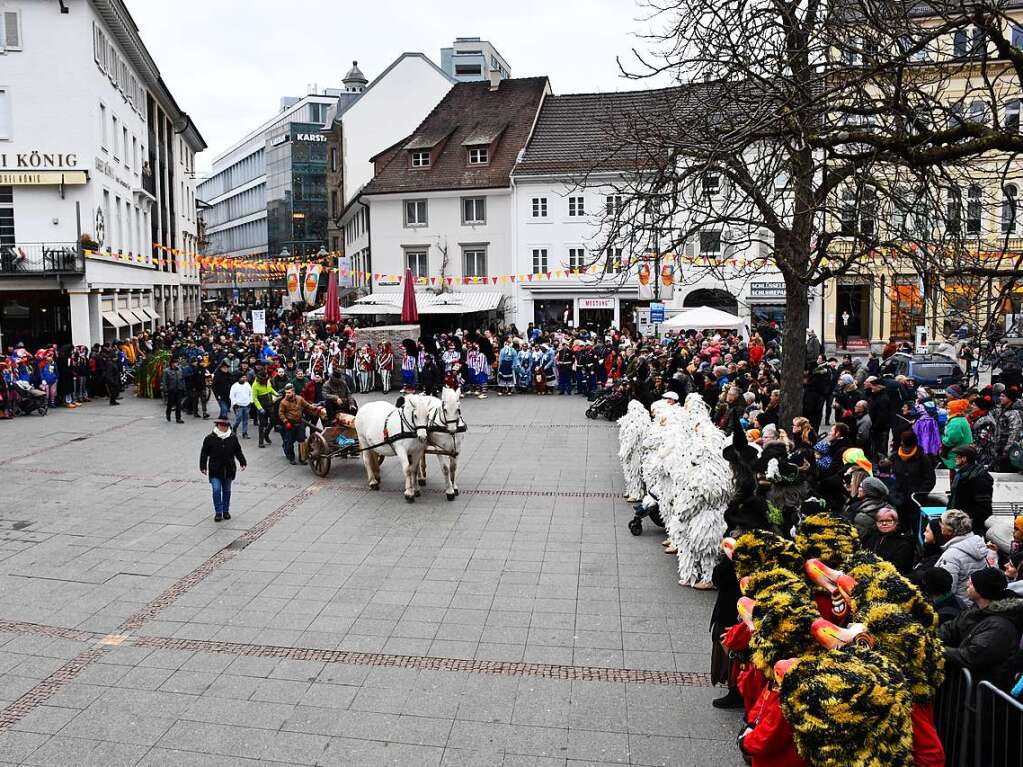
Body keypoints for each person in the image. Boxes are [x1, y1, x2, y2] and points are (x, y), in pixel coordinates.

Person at [938, 567, 1023, 689]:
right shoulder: (976, 609)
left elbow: (972, 656)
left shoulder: (1000, 626)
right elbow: (952, 628)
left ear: (981, 590)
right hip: (961, 686)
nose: (967, 584)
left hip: (979, 694)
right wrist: (931, 637)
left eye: (972, 583)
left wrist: (937, 649)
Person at [935, 509, 994, 603]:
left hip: (959, 606)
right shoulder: (978, 543)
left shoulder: (951, 555)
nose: (940, 525)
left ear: (950, 530)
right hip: (977, 602)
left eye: (942, 523)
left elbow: (947, 589)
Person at [199, 416, 247, 522]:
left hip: (228, 469)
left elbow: (238, 451)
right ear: (217, 425)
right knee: (216, 490)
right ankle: (218, 512)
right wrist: (202, 466)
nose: (222, 427)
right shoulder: (209, 438)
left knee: (227, 491)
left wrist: (242, 462)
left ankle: (225, 511)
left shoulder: (233, 437)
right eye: (221, 425)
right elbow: (204, 453)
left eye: (225, 425)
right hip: (215, 469)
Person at [889, 430, 936, 536]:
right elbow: (893, 476)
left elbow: (930, 480)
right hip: (899, 499)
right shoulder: (896, 456)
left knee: (916, 528)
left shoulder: (923, 458)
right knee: (901, 527)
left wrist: (918, 494)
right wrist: (894, 492)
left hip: (916, 501)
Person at [945, 444, 994, 537]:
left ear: (964, 458)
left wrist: (970, 521)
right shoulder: (961, 474)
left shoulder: (979, 477)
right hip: (958, 521)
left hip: (971, 526)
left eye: (957, 457)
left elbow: (983, 507)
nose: (955, 458)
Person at [277, 383, 325, 465]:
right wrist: (286, 421)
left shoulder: (299, 399)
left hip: (299, 423)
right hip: (290, 424)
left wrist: (316, 408)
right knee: (289, 442)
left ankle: (302, 458)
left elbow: (307, 406)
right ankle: (291, 457)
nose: (287, 394)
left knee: (302, 440)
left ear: (293, 392)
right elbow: (281, 413)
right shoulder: (283, 402)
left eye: (289, 392)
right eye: (286, 393)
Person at [860, 507, 915, 575]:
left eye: (889, 521)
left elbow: (900, 568)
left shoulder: (904, 543)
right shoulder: (871, 536)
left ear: (896, 522)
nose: (884, 524)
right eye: (880, 521)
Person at [941, 399, 973, 485]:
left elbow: (951, 439)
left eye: (948, 408)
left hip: (956, 453)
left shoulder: (956, 422)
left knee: (956, 475)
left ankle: (955, 492)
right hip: (962, 450)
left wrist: (943, 441)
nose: (947, 410)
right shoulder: (960, 419)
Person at [995, 386, 1023, 471]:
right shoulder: (1002, 409)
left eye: (1003, 396)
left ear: (1010, 398)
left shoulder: (1014, 413)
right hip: (1000, 447)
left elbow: (1015, 432)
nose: (1000, 398)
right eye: (1000, 396)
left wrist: (1008, 450)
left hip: (1008, 450)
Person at [251, 369, 277, 448]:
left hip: (270, 404)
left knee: (273, 421)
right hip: (262, 405)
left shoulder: (268, 380)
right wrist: (260, 408)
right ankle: (261, 442)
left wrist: (276, 393)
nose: (266, 380)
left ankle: (266, 434)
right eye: (265, 379)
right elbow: (254, 398)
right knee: (262, 424)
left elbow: (270, 389)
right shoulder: (255, 385)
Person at [161, 357, 186, 423]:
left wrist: (184, 388)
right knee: (170, 404)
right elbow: (164, 381)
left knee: (179, 404)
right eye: (174, 363)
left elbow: (182, 379)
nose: (175, 364)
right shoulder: (166, 371)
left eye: (176, 363)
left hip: (179, 389)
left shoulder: (180, 370)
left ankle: (178, 418)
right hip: (171, 390)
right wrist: (165, 390)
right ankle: (168, 414)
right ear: (171, 364)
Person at [229, 372, 252, 439]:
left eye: (245, 377)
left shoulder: (247, 384)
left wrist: (251, 401)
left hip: (247, 405)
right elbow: (232, 396)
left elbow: (251, 393)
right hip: (238, 406)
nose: (244, 378)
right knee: (238, 419)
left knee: (245, 420)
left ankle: (244, 433)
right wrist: (234, 403)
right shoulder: (234, 386)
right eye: (242, 377)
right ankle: (234, 427)